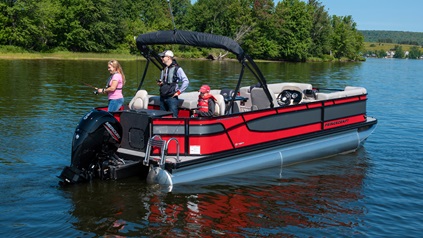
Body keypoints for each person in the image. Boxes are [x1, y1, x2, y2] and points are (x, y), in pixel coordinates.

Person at [157, 50, 189, 117]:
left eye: (163, 57)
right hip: (162, 97)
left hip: (172, 98)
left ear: (168, 57)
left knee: (173, 117)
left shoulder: (177, 68)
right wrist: (161, 83)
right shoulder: (164, 68)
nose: (161, 58)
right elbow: (166, 81)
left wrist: (179, 92)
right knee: (161, 117)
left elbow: (186, 81)